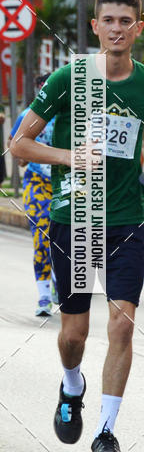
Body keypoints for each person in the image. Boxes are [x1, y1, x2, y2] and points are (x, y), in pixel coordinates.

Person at [10, 0, 144, 452]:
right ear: (96, 27)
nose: (118, 28)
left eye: (127, 21)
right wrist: (69, 157)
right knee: (74, 334)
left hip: (124, 219)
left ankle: (106, 433)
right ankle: (71, 383)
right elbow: (20, 144)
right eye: (109, 20)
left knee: (122, 325)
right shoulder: (68, 78)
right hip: (74, 219)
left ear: (138, 27)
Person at [8, 73, 57, 316]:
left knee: (64, 238)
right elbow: (14, 144)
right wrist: (24, 156)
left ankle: (60, 280)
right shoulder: (27, 115)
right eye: (42, 88)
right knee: (41, 235)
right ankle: (44, 295)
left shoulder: (71, 117)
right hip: (37, 181)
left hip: (65, 183)